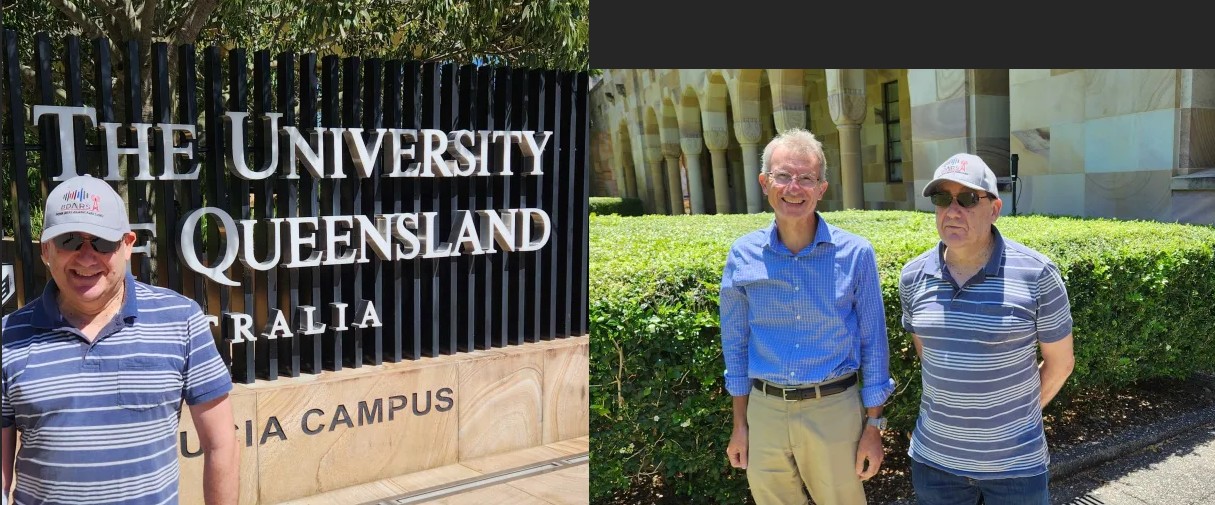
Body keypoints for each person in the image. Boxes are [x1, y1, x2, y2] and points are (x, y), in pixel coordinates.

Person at [2, 174, 239, 504]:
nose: (86, 257)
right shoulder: (8, 336)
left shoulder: (181, 320)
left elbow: (221, 444)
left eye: (102, 241)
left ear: (127, 245)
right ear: (46, 250)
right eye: (70, 240)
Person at [719, 128, 895, 505]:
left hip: (834, 409)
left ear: (822, 188)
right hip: (764, 412)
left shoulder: (856, 254)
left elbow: (874, 343)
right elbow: (735, 344)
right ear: (765, 183)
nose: (794, 188)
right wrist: (740, 424)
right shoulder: (742, 254)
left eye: (807, 178)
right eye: (783, 175)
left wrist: (874, 425)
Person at [899, 153, 1075, 505]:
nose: (952, 211)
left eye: (967, 199)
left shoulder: (1038, 274)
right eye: (942, 198)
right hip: (934, 466)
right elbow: (929, 354)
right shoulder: (913, 276)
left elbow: (1061, 363)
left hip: (1016, 469)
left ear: (995, 209)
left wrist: (1016, 422)